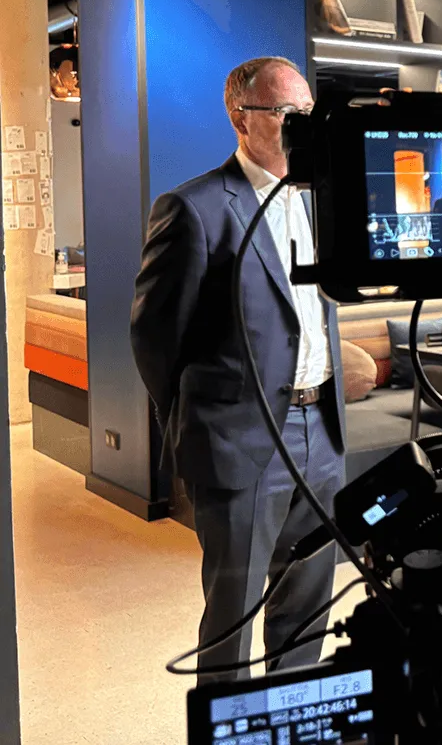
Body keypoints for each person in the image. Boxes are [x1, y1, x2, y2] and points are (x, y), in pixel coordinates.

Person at [131, 56, 346, 683]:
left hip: (322, 434)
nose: (300, 127)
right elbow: (155, 340)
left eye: (306, 113)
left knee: (308, 609)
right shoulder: (194, 209)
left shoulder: (318, 199)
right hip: (240, 443)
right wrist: (195, 426)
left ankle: (293, 718)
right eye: (284, 114)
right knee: (233, 617)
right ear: (240, 118)